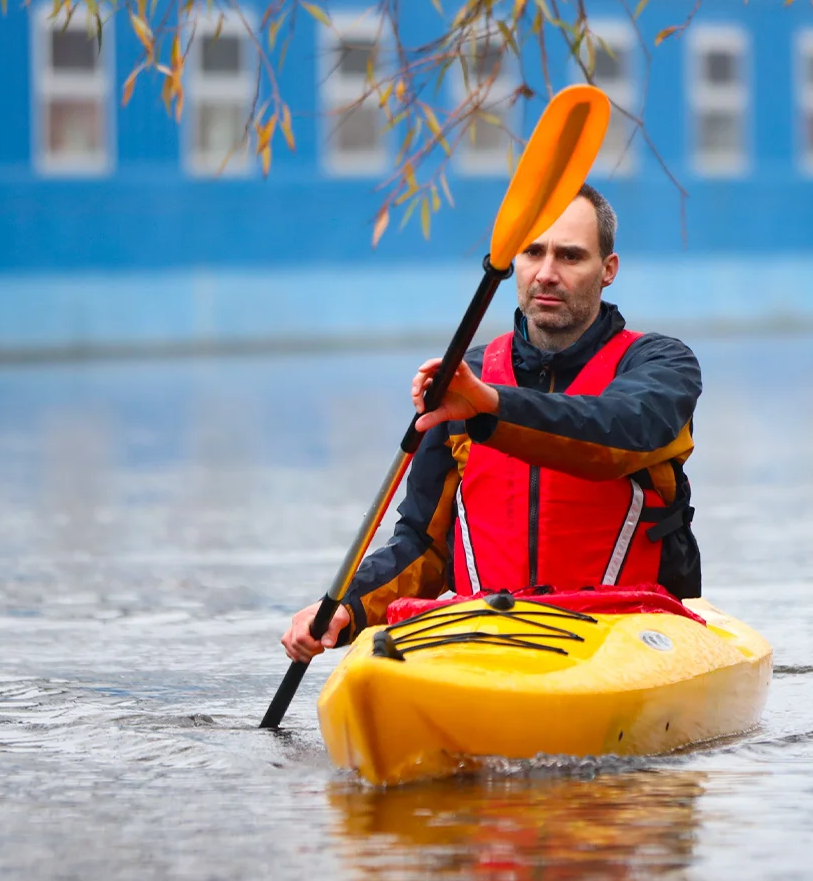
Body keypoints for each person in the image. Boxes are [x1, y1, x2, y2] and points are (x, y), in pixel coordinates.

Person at [281, 184, 704, 661]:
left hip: (627, 634)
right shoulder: (466, 380)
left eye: (570, 256)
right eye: (533, 252)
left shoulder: (661, 365)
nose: (547, 273)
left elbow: (615, 437)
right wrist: (346, 606)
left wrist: (490, 406)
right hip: (488, 631)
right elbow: (424, 543)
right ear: (514, 263)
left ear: (608, 270)